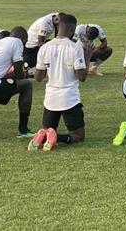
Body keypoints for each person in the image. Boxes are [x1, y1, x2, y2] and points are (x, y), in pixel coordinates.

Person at [28, 14, 87, 151]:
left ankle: (43, 136)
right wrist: (88, 56)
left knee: (48, 129)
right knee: (78, 135)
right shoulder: (75, 47)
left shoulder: (44, 48)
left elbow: (38, 77)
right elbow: (82, 77)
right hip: (69, 98)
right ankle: (58, 138)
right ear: (72, 30)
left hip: (50, 99)